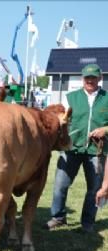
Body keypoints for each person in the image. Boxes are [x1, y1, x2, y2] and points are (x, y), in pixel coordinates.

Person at [45, 64, 108, 233]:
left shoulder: (107, 98)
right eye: (87, 77)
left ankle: (87, 223)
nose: (90, 80)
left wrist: (105, 129)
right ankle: (58, 217)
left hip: (97, 151)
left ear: (99, 78)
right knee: (60, 185)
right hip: (71, 148)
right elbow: (59, 118)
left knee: (94, 189)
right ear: (82, 78)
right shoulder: (70, 97)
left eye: (93, 77)